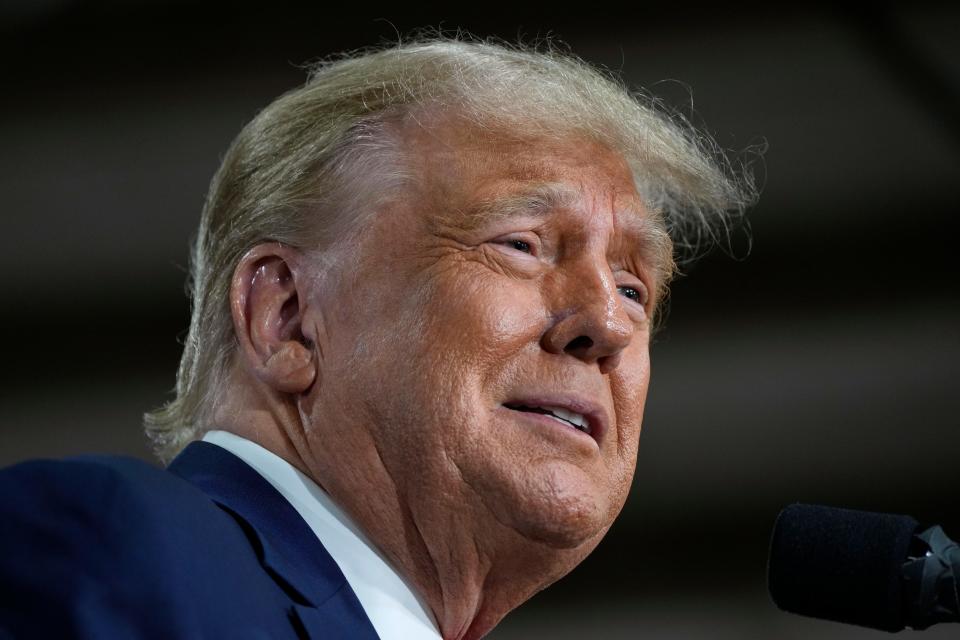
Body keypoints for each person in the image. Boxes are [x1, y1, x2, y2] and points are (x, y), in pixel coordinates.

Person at [0, 38, 753, 639]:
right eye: (521, 244)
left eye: (633, 288)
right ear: (287, 318)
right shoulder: (118, 549)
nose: (611, 323)